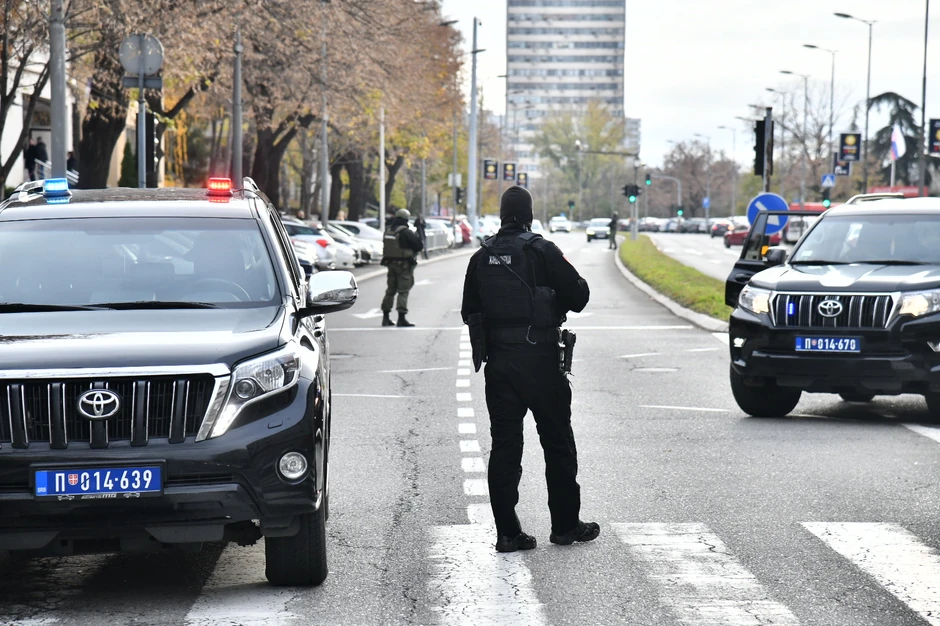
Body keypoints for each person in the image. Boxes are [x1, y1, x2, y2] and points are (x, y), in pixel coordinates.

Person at [461, 185, 598, 553]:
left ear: (502, 214)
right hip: (540, 360)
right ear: (529, 214)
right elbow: (580, 297)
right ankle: (566, 526)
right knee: (557, 442)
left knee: (505, 446)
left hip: (500, 364)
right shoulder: (542, 250)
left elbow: (467, 311)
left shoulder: (481, 256)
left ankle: (508, 533)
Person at [381, 208, 423, 327]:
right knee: (403, 291)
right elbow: (419, 245)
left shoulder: (388, 231)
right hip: (404, 266)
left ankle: (385, 317)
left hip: (390, 264)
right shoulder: (406, 232)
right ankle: (401, 318)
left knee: (390, 291)